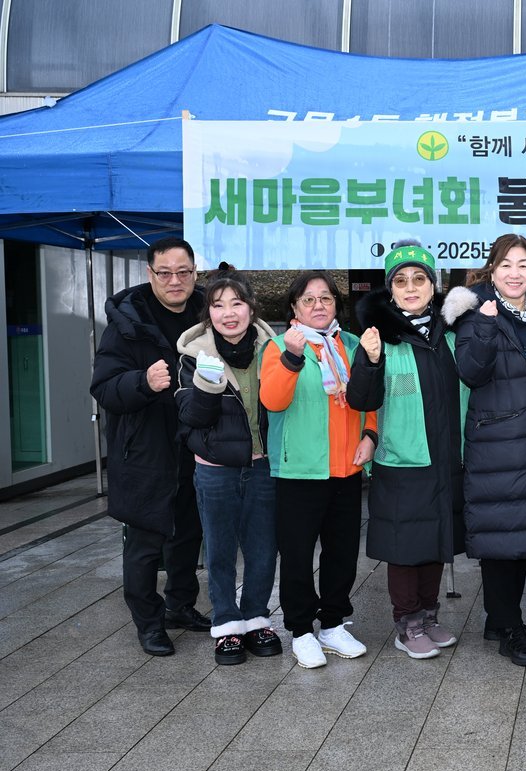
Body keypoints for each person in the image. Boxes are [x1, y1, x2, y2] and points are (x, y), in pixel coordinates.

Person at [444, 234, 526, 667]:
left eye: (523, 264)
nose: (515, 273)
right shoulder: (474, 312)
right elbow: (471, 372)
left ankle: (499, 619)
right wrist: (484, 326)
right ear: (492, 269)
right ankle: (509, 627)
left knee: (525, 532)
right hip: (495, 440)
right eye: (506, 265)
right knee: (501, 533)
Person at [346, 244, 466, 661]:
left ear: (433, 286)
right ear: (390, 290)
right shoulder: (380, 338)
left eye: (419, 279)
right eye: (400, 281)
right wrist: (371, 361)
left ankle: (429, 616)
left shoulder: (451, 335)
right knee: (405, 547)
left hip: (446, 458)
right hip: (403, 461)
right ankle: (407, 623)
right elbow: (361, 399)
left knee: (437, 541)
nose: (410, 287)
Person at [91, 237, 210, 657]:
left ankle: (180, 605)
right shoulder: (128, 322)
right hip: (144, 451)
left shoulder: (208, 313)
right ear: (150, 273)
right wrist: (142, 382)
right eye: (165, 273)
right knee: (145, 542)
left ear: (195, 272)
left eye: (183, 272)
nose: (175, 281)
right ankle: (148, 622)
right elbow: (104, 387)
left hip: (195, 445)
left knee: (188, 533)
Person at [260, 270, 377, 668]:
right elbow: (273, 401)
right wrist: (293, 358)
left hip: (346, 468)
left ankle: (332, 624)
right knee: (296, 554)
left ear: (336, 305)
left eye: (326, 298)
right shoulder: (279, 346)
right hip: (299, 470)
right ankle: (300, 630)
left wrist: (371, 435)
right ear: (294, 308)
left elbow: (370, 398)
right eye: (308, 299)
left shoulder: (354, 345)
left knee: (342, 553)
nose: (318, 306)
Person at [176, 274, 281, 665]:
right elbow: (191, 416)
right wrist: (207, 383)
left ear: (251, 308)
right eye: (218, 305)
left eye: (236, 303)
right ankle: (226, 624)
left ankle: (255, 619)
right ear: (209, 314)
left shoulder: (273, 350)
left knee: (263, 549)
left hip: (264, 466)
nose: (228, 313)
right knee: (219, 551)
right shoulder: (193, 355)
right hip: (215, 468)